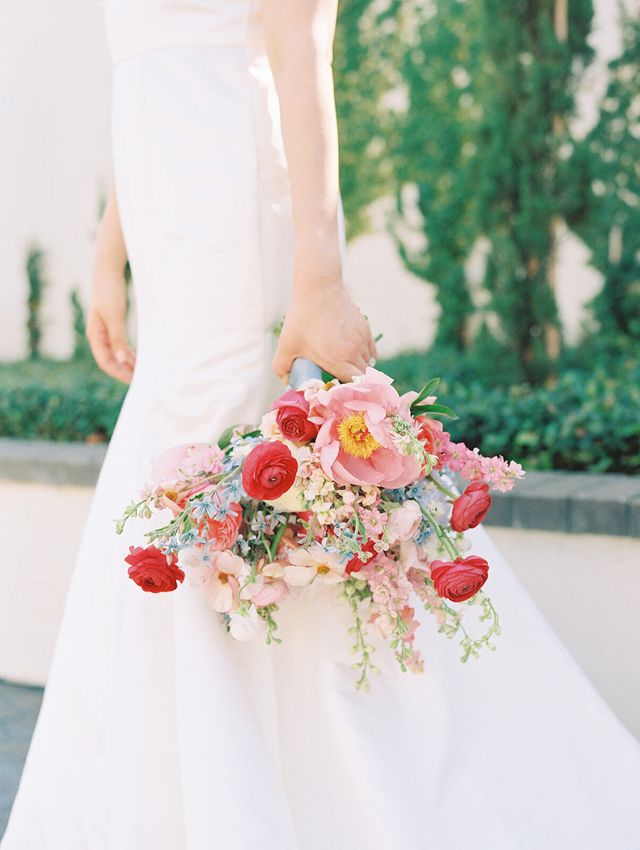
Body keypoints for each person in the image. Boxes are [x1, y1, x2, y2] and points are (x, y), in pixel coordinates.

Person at [3, 1, 640, 848]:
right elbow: (150, 69)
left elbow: (301, 47)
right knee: (179, 487)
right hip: (171, 234)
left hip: (236, 219)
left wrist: (320, 281)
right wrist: (108, 251)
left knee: (243, 486)